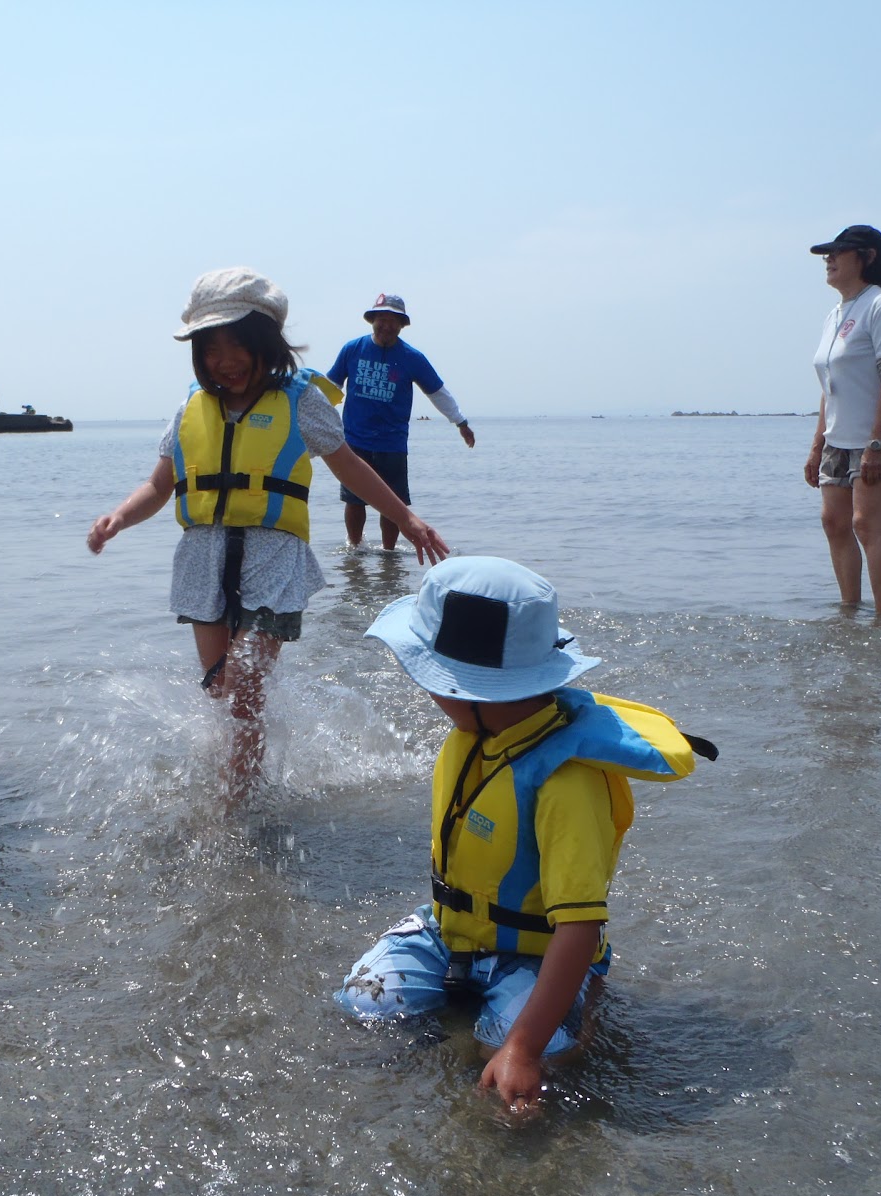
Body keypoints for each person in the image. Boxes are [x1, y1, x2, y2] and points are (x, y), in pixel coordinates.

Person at [333, 557, 712, 1111]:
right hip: (448, 932)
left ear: (476, 689)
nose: (426, 690)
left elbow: (580, 925)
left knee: (529, 1062)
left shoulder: (566, 783)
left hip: (538, 951)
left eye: (430, 676)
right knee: (363, 1005)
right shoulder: (476, 736)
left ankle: (580, 1001)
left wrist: (523, 1049)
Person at [87, 268, 451, 797]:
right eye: (211, 348)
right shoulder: (190, 406)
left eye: (238, 345)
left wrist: (406, 518)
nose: (225, 360)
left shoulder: (301, 401)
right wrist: (118, 518)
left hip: (274, 559)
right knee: (219, 693)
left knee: (243, 696)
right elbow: (159, 485)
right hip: (203, 560)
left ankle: (238, 809)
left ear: (267, 343)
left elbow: (350, 468)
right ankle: (237, 783)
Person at [804, 225, 881, 618]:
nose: (829, 260)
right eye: (827, 254)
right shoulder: (835, 314)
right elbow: (829, 385)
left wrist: (876, 443)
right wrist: (817, 446)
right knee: (833, 522)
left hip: (873, 439)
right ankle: (849, 614)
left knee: (867, 525)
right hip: (837, 437)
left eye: (838, 252)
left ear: (867, 257)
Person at [327, 294, 475, 550]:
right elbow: (330, 386)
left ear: (402, 325)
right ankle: (354, 550)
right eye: (381, 320)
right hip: (354, 439)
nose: (386, 326)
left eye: (393, 321)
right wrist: (308, 418)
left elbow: (437, 392)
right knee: (354, 500)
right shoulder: (353, 349)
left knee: (393, 501)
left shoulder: (411, 357)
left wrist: (460, 422)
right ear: (373, 321)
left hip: (392, 442)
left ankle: (388, 554)